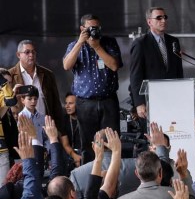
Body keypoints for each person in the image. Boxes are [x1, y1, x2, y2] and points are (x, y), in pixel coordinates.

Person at [63, 14, 123, 164]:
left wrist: (97, 46)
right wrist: (80, 43)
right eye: (90, 28)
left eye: (96, 28)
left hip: (108, 100)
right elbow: (66, 65)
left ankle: (112, 179)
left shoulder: (109, 42)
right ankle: (89, 178)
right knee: (88, 144)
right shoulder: (74, 45)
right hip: (85, 102)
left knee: (111, 141)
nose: (94, 31)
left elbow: (114, 65)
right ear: (82, 29)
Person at [129, 7, 184, 122]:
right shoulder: (140, 44)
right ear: (149, 22)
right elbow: (135, 76)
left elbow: (179, 71)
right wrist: (139, 103)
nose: (163, 21)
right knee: (154, 138)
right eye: (159, 18)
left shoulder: (173, 41)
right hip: (151, 101)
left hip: (171, 100)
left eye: (165, 17)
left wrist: (181, 95)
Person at [9, 40, 64, 129]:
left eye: (33, 52)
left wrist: (60, 131)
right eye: (27, 52)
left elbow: (56, 105)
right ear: (18, 55)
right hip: (20, 130)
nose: (31, 55)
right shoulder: (9, 76)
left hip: (46, 128)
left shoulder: (47, 74)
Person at [60, 93, 83, 170]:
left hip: (85, 153)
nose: (67, 106)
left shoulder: (86, 118)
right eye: (66, 103)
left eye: (70, 103)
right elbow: (65, 144)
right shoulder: (64, 120)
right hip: (70, 154)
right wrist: (75, 156)